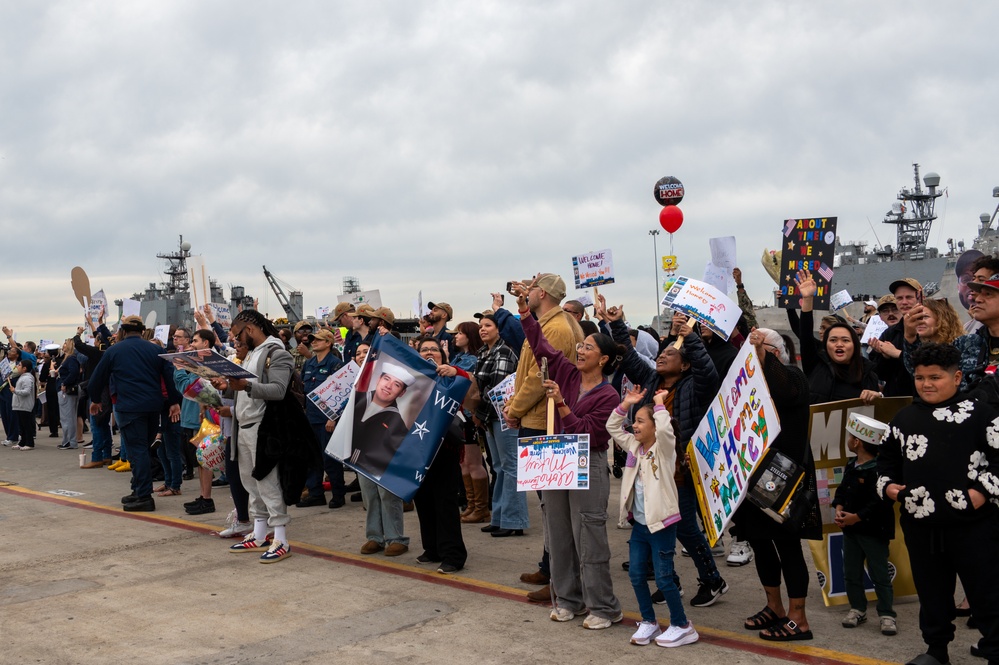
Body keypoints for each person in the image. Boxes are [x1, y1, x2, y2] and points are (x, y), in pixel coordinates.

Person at [601, 301, 728, 608]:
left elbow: (708, 371)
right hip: (650, 469)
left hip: (680, 470)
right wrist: (618, 323)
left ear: (684, 365)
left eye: (669, 353)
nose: (660, 356)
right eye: (659, 353)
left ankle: (712, 580)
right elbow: (631, 359)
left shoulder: (696, 386)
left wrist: (692, 337)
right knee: (654, 525)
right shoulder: (654, 382)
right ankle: (670, 582)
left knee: (683, 526)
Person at [878, 343, 999, 665]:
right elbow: (885, 460)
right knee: (932, 593)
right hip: (921, 526)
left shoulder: (982, 415)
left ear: (957, 377)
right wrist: (888, 487)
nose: (926, 384)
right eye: (919, 377)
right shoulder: (903, 418)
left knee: (987, 592)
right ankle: (936, 650)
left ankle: (995, 648)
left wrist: (981, 493)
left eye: (935, 377)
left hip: (974, 526)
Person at [514, 282, 623, 631]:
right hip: (555, 456)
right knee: (557, 533)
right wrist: (525, 314)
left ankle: (603, 607)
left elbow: (589, 434)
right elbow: (541, 346)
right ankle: (567, 599)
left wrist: (560, 402)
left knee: (588, 535)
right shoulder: (567, 373)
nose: (580, 350)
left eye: (587, 347)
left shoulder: (608, 394)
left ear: (603, 359)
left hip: (586, 460)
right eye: (580, 345)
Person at [733, 328, 821, 642]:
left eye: (760, 347)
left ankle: (799, 617)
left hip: (783, 478)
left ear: (776, 353)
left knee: (787, 546)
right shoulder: (748, 388)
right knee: (759, 541)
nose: (752, 351)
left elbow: (784, 391)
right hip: (752, 477)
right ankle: (775, 607)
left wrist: (761, 353)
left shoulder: (794, 378)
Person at [503, 273, 583, 596]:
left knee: (554, 507)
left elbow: (540, 376)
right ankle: (550, 568)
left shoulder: (557, 327)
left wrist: (514, 409)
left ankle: (559, 578)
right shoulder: (547, 322)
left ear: (544, 293)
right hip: (538, 417)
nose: (528, 290)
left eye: (533, 287)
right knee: (549, 507)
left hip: (544, 421)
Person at [609, 386, 697, 648]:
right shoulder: (634, 447)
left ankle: (682, 625)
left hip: (662, 526)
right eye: (634, 421)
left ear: (654, 425)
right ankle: (649, 621)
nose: (634, 426)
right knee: (636, 575)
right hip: (640, 526)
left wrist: (659, 404)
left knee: (664, 578)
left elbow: (667, 431)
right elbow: (613, 428)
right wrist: (626, 404)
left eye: (640, 421)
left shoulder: (664, 449)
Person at [212, 310, 298, 563]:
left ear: (249, 329)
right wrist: (227, 387)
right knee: (251, 483)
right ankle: (260, 533)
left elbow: (279, 390)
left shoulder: (276, 353)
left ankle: (281, 538)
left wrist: (245, 385)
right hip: (244, 426)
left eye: (237, 334)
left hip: (263, 428)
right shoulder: (251, 355)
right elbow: (243, 391)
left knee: (268, 483)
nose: (235, 341)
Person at [88, 315, 182, 512]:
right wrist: (173, 401)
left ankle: (143, 495)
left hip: (129, 406)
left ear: (122, 331)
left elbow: (97, 378)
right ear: (142, 331)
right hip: (153, 407)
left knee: (136, 450)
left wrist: (96, 400)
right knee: (143, 449)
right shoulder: (156, 349)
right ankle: (138, 488)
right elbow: (169, 376)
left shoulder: (114, 350)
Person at [833, 412, 897, 636]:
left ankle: (887, 614)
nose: (849, 440)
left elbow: (879, 502)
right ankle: (858, 608)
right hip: (851, 532)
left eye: (850, 437)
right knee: (851, 571)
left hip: (874, 531)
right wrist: (839, 508)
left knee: (880, 574)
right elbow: (842, 490)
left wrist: (856, 517)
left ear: (857, 441)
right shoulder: (851, 465)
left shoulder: (879, 471)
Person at [414, 336, 469, 574]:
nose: (429, 352)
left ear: (442, 354)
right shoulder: (412, 378)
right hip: (417, 447)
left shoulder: (453, 376)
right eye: (424, 349)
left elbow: (469, 384)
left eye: (434, 350)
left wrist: (453, 370)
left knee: (445, 500)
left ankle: (453, 554)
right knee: (423, 499)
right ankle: (432, 548)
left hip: (445, 448)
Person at [474, 311, 529, 537]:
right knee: (498, 467)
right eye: (480, 326)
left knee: (511, 467)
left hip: (503, 416)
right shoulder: (482, 353)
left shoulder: (504, 352)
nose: (483, 329)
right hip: (488, 417)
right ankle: (498, 516)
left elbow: (496, 388)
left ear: (499, 329)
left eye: (488, 325)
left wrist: (477, 408)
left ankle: (514, 520)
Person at [794, 269, 881, 404]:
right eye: (833, 340)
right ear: (826, 345)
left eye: (845, 340)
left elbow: (878, 411)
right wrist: (808, 299)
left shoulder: (869, 374)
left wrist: (878, 397)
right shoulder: (815, 365)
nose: (839, 344)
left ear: (854, 345)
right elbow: (804, 334)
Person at [300, 328, 346, 509]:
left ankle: (338, 494)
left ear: (328, 342)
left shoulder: (335, 365)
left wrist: (333, 418)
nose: (313, 342)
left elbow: (342, 395)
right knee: (313, 459)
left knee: (330, 460)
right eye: (313, 339)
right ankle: (316, 493)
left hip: (327, 420)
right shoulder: (309, 364)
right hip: (311, 417)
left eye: (318, 340)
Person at [450, 321, 490, 525]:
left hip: (468, 415)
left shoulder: (471, 360)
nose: (456, 336)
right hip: (459, 415)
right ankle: (473, 504)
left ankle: (481, 507)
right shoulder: (459, 357)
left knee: (473, 461)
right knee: (464, 462)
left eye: (460, 333)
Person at [56, 338, 82, 450]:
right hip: (65, 389)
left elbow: (74, 372)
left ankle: (69, 441)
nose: (63, 345)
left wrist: (65, 383)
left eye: (65, 344)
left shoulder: (71, 359)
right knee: (68, 416)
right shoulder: (68, 359)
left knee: (67, 417)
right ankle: (68, 440)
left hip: (66, 390)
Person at [10, 360, 36, 450]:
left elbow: (27, 391)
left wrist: (15, 391)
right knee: (21, 425)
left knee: (26, 425)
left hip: (24, 405)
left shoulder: (27, 378)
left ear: (24, 368)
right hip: (19, 405)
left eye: (19, 365)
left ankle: (30, 443)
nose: (17, 366)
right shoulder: (22, 377)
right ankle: (22, 442)